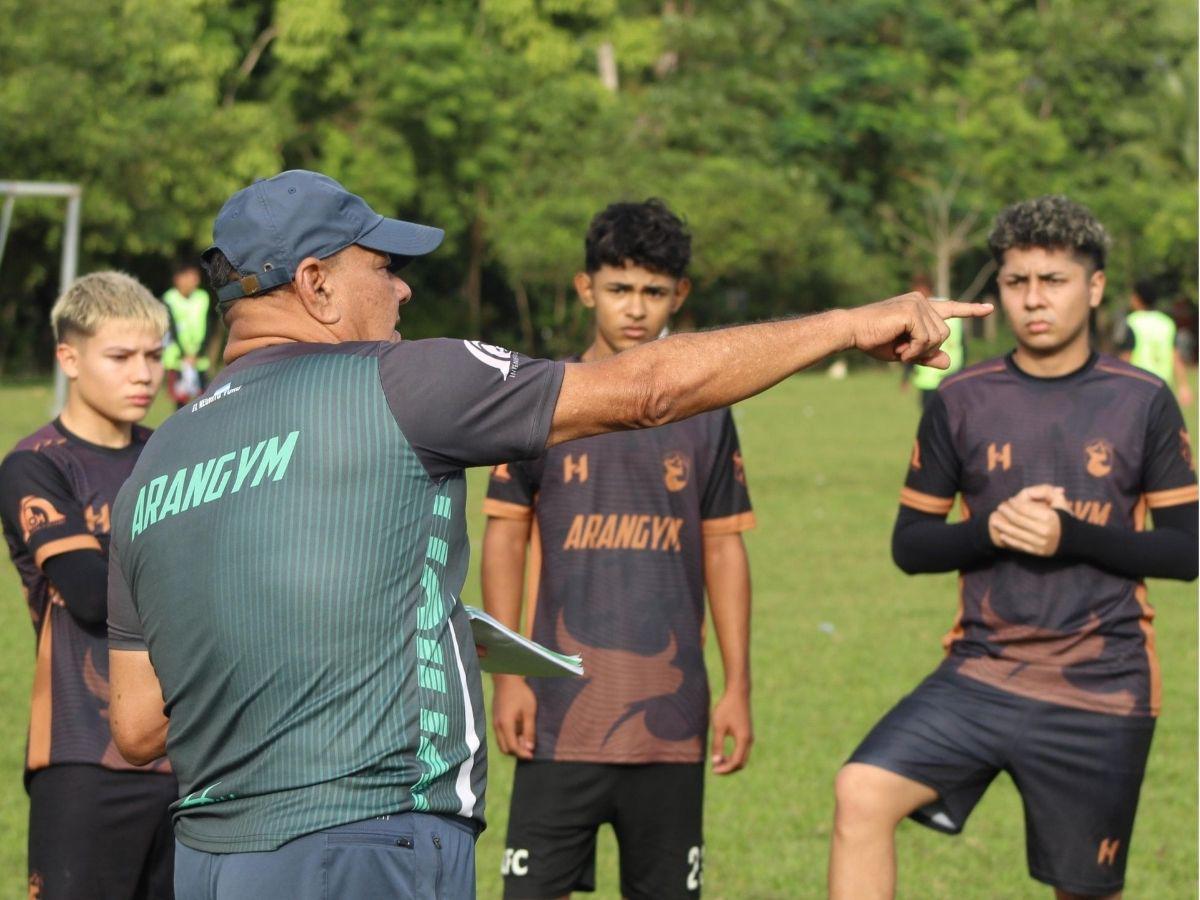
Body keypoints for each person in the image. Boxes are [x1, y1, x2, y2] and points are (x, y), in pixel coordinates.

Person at [103, 170, 988, 900]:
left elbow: (139, 726)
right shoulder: (405, 381)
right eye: (384, 264)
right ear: (317, 281)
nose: (404, 285)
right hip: (362, 842)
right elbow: (644, 393)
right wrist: (846, 324)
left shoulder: (153, 464)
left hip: (215, 860)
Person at [829, 196, 1198, 900]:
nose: (1034, 299)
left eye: (1053, 281)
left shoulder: (1143, 399)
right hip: (982, 673)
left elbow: (1186, 551)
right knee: (862, 792)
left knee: (1082, 891)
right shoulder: (959, 398)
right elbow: (911, 546)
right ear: (998, 289)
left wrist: (1072, 537)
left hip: (1101, 685)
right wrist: (989, 529)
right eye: (1016, 281)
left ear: (1093, 288)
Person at [482, 200, 753, 900]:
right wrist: (508, 675)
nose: (636, 309)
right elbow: (505, 537)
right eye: (620, 289)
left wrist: (738, 687)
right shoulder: (543, 400)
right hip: (558, 712)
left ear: (679, 295)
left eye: (654, 292)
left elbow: (725, 553)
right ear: (585, 288)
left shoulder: (708, 413)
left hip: (672, 718)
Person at [0, 272, 176, 899]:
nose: (144, 375)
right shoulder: (37, 464)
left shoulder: (175, 456)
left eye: (155, 356)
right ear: (69, 358)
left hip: (189, 753)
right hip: (82, 756)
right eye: (122, 356)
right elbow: (89, 594)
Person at [1118, 277, 1193, 406]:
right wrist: (1183, 386)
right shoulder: (1167, 323)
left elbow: (1126, 357)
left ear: (1137, 298)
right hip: (1163, 387)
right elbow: (1175, 357)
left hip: (1138, 386)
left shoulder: (1132, 322)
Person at [900, 274, 966, 411]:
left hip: (935, 377)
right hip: (948, 375)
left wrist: (906, 376)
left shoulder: (919, 314)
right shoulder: (950, 308)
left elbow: (912, 347)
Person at [162, 261, 213, 408]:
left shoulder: (202, 297)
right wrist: (185, 355)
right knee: (181, 400)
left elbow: (207, 327)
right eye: (190, 277)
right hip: (178, 359)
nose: (195, 281)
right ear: (178, 279)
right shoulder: (169, 299)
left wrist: (198, 353)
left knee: (206, 398)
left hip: (199, 358)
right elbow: (171, 330)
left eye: (196, 277)